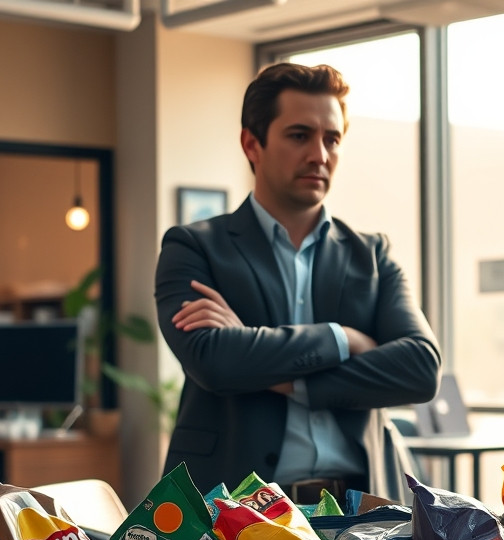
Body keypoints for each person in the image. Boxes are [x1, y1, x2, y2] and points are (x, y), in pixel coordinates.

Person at [155, 63, 440, 503]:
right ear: (252, 144)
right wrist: (343, 337)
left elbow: (420, 369)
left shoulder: (373, 254)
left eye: (332, 139)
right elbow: (215, 361)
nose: (319, 155)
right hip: (232, 508)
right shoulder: (194, 247)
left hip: (360, 510)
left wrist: (271, 363)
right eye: (299, 135)